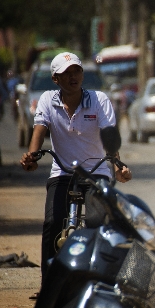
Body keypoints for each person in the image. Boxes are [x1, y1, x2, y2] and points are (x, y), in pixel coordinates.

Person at [19, 52, 133, 283]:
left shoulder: (99, 100)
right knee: (52, 223)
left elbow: (109, 137)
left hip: (96, 172)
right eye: (66, 73)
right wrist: (32, 156)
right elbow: (39, 130)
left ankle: (98, 279)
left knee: (97, 223)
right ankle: (48, 283)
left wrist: (117, 165)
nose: (73, 77)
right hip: (62, 171)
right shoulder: (47, 100)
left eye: (77, 71)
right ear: (55, 79)